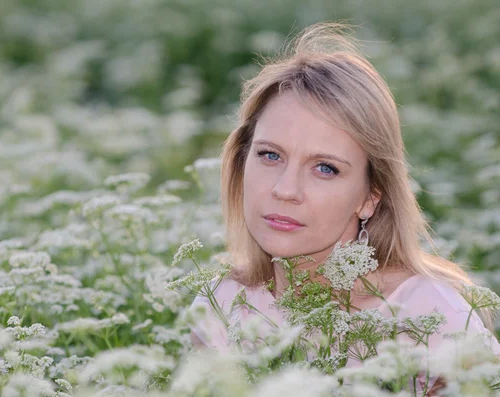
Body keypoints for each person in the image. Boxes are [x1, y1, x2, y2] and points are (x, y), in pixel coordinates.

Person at [188, 22, 500, 395]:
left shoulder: (426, 314)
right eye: (270, 155)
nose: (285, 190)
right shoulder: (223, 303)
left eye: (325, 168)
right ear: (241, 161)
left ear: (371, 195)